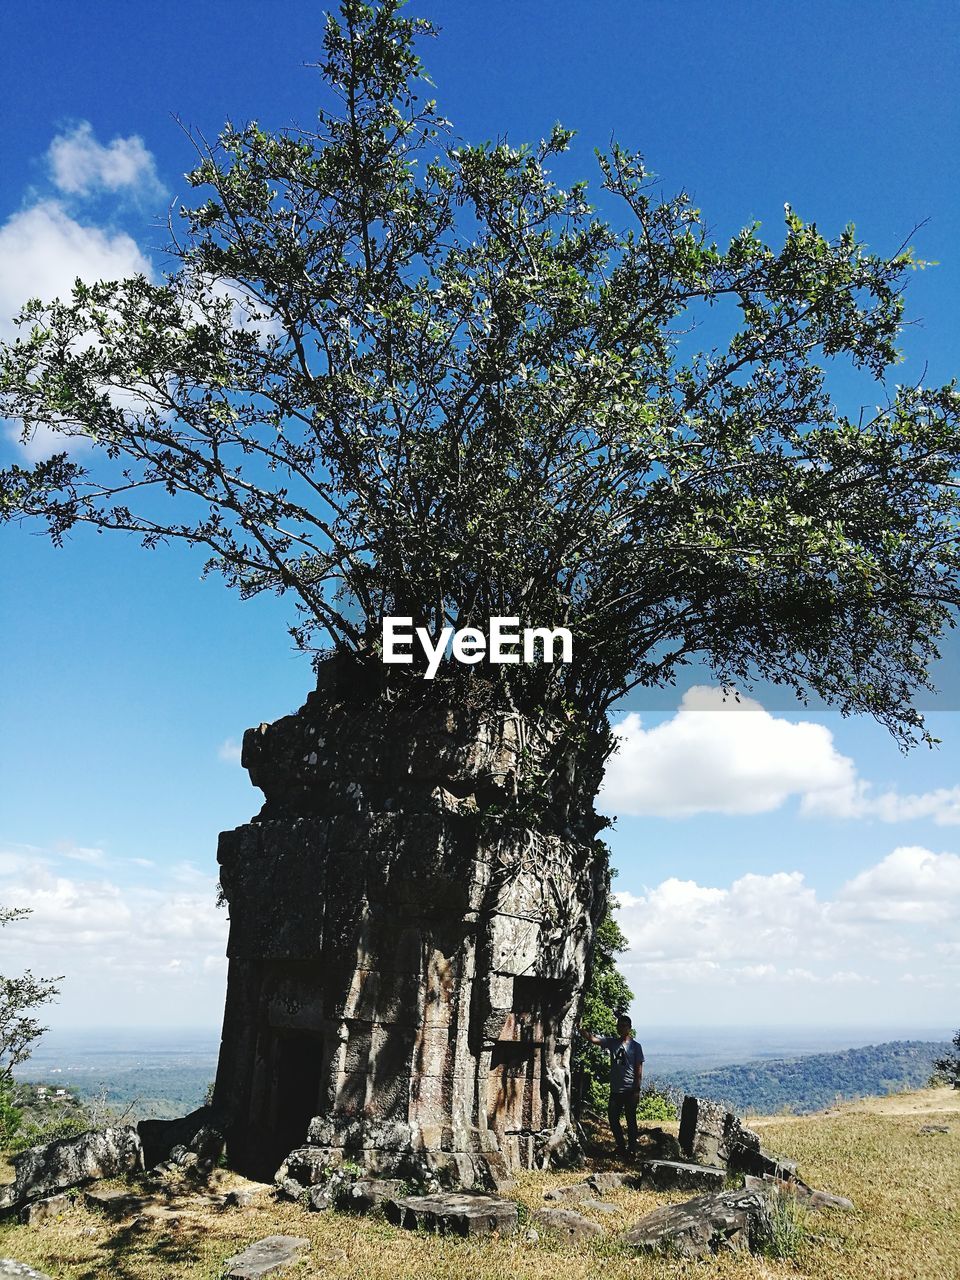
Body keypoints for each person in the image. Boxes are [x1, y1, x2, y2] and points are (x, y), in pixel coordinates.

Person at [580, 1013, 645, 1158]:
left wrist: (637, 1089)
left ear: (629, 1027)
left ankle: (632, 1149)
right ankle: (621, 1146)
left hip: (630, 1089)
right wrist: (581, 1030)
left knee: (631, 1119)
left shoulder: (636, 1047)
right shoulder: (612, 1042)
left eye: (624, 1025)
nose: (621, 1028)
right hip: (616, 1090)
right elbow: (594, 1039)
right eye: (619, 1025)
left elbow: (639, 1069)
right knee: (613, 1119)